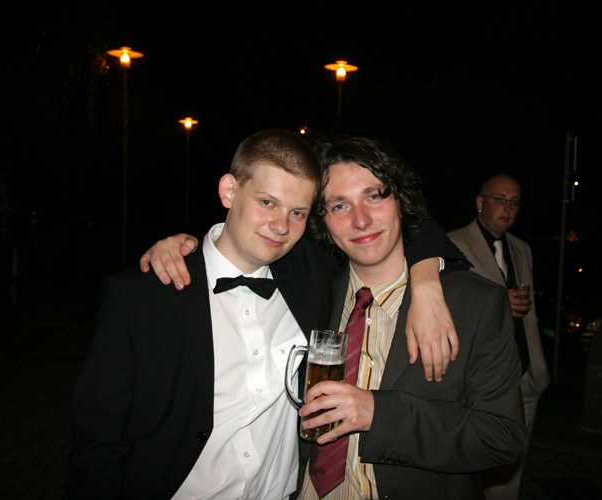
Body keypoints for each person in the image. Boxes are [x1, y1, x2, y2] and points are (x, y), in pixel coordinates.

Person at [68, 129, 462, 499]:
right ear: (229, 191)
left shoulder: (308, 274)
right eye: (267, 202)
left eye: (298, 213)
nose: (280, 226)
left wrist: (426, 282)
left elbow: (400, 221)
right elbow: (97, 441)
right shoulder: (143, 296)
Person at [296, 137, 526, 499]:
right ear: (322, 221)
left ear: (400, 202)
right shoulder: (312, 294)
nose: (361, 220)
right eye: (339, 205)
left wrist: (379, 414)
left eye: (375, 196)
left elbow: (501, 437)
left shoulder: (475, 304)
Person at [448, 174, 550, 500]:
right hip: (479, 379)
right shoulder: (452, 243)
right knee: (470, 470)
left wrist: (537, 366)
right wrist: (495, 302)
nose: (508, 209)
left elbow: (529, 314)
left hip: (525, 376)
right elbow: (446, 308)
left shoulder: (522, 249)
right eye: (500, 200)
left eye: (515, 202)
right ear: (480, 203)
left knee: (511, 470)